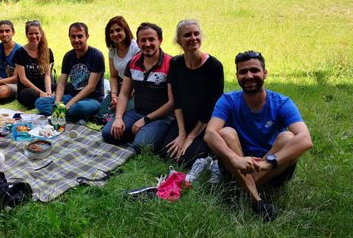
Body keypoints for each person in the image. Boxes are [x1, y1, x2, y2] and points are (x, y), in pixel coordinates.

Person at [204, 51, 313, 221]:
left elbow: (305, 139)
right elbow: (209, 134)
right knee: (225, 133)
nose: (249, 76)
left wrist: (268, 163)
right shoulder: (228, 100)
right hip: (239, 162)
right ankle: (257, 200)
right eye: (243, 72)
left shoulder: (282, 102)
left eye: (254, 70)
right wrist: (234, 159)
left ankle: (242, 188)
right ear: (237, 76)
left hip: (272, 167)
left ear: (265, 73)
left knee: (288, 138)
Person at [101, 23, 174, 152]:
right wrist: (118, 118)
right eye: (143, 40)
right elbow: (124, 94)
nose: (147, 44)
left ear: (160, 41)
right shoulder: (134, 62)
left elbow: (172, 103)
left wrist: (145, 120)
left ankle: (145, 134)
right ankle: (139, 133)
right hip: (138, 112)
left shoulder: (171, 64)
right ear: (138, 43)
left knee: (142, 146)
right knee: (108, 133)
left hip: (162, 116)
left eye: (151, 39)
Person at [161, 20, 224, 167]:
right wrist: (182, 133)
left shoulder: (214, 67)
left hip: (205, 123)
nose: (193, 38)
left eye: (196, 34)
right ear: (179, 41)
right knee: (167, 154)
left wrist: (191, 137)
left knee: (187, 159)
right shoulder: (175, 63)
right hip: (184, 120)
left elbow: (210, 107)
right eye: (187, 35)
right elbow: (177, 100)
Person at [36, 22, 105, 122]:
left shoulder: (96, 56)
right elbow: (61, 84)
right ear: (69, 37)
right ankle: (72, 117)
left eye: (80, 36)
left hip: (92, 99)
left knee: (78, 108)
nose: (76, 40)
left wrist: (69, 104)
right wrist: (57, 103)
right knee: (40, 102)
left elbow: (91, 87)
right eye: (73, 37)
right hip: (72, 95)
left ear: (87, 36)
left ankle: (67, 115)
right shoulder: (68, 56)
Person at [99, 16, 140, 116]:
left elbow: (138, 77)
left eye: (118, 30)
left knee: (123, 112)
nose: (115, 34)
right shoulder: (112, 50)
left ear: (125, 30)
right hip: (121, 85)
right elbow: (113, 76)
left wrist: (122, 99)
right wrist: (114, 95)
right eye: (111, 32)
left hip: (137, 88)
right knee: (103, 112)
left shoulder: (135, 48)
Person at [12, 20, 55, 109]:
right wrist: (40, 93)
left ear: (41, 34)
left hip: (44, 88)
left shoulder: (47, 51)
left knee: (66, 86)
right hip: (28, 90)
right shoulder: (20, 53)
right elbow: (23, 79)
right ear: (27, 35)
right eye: (31, 34)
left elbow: (47, 76)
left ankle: (48, 99)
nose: (34, 36)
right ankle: (46, 101)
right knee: (28, 94)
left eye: (36, 33)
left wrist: (49, 92)